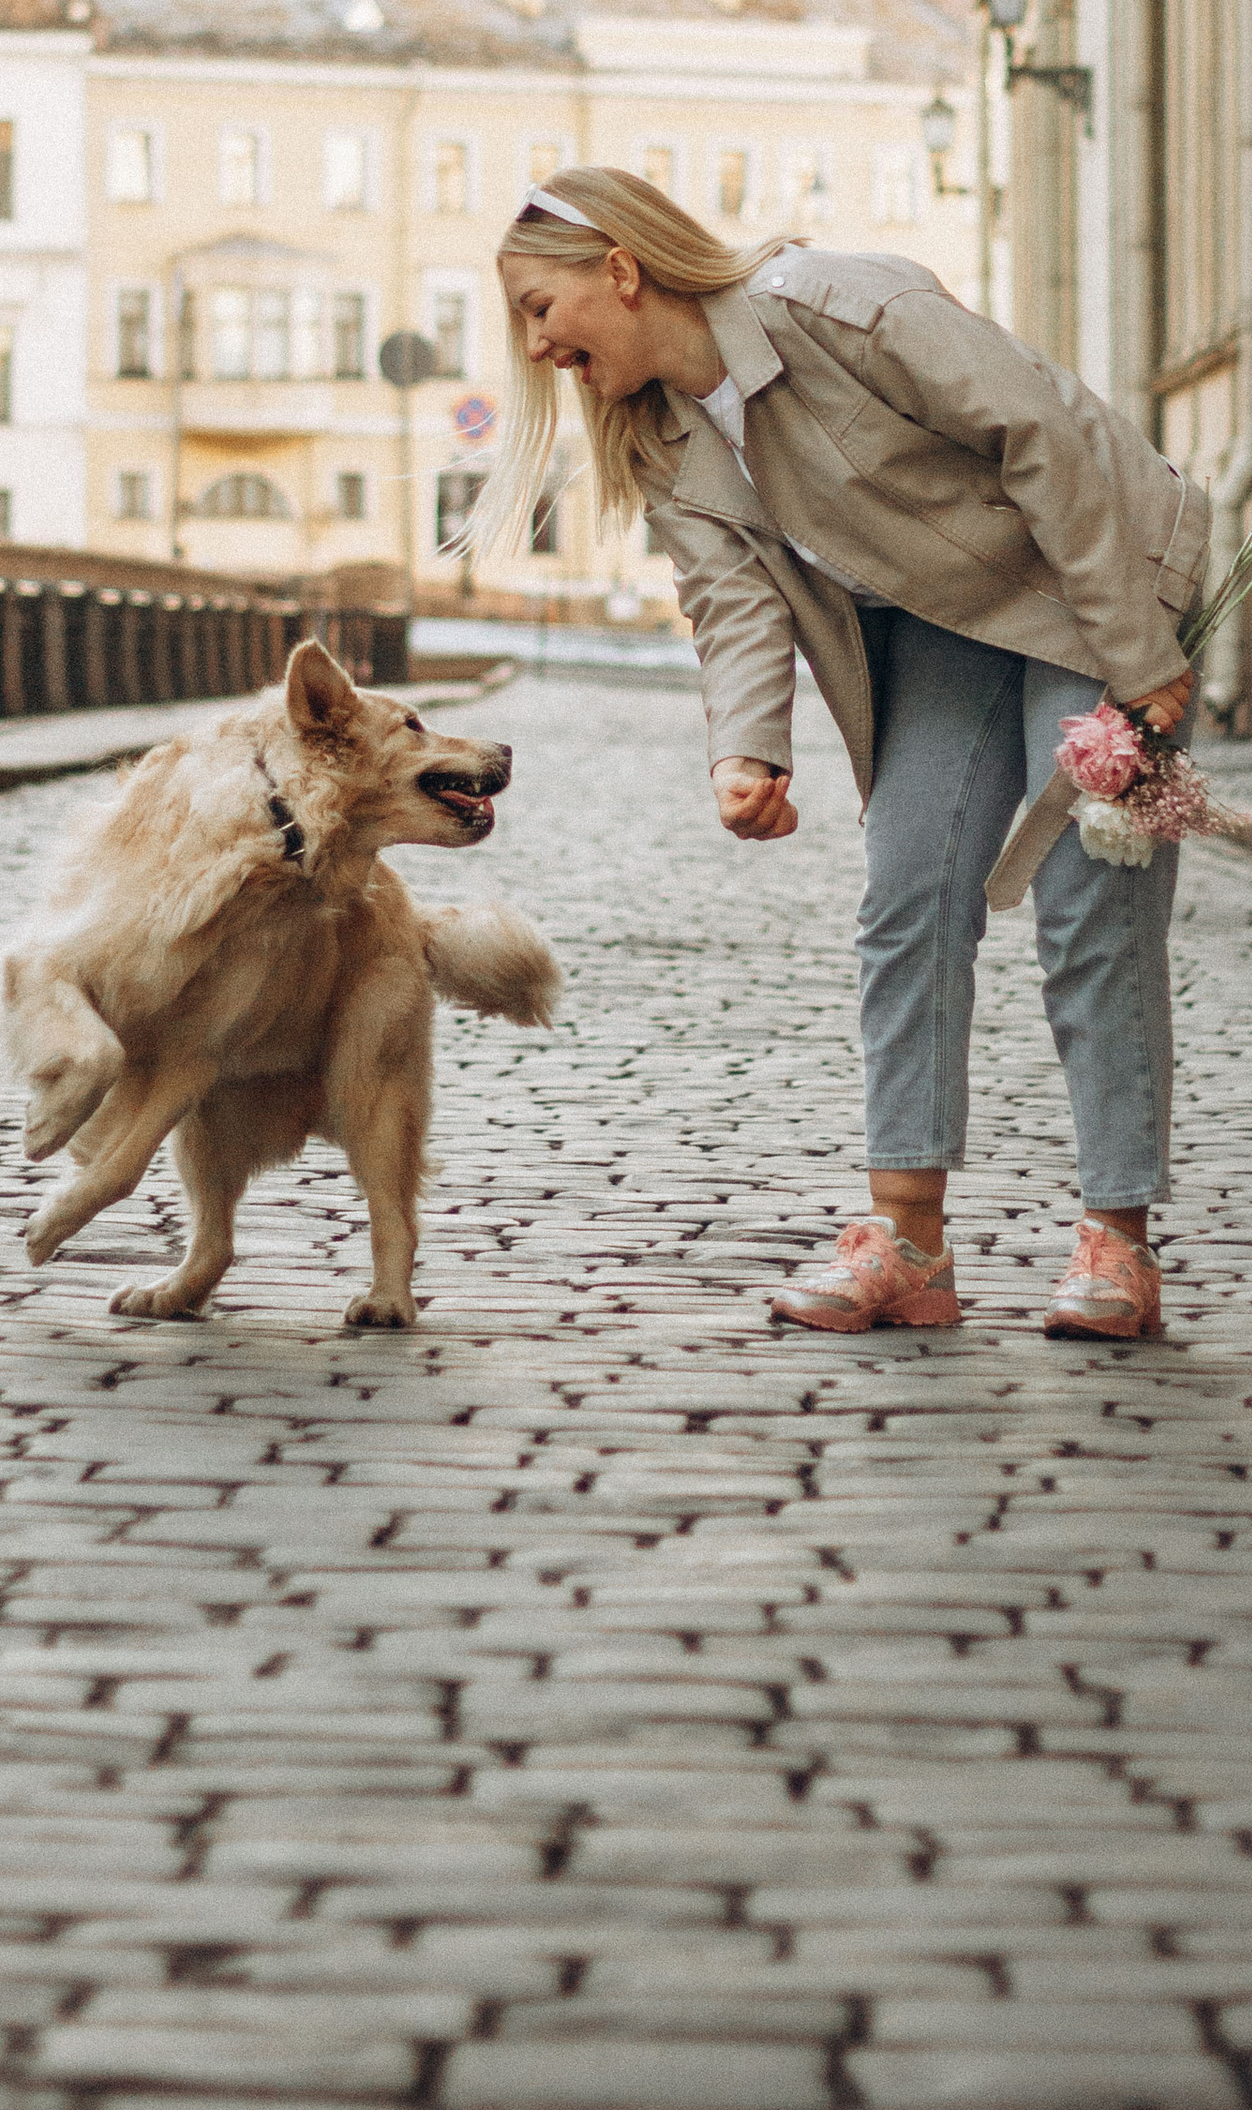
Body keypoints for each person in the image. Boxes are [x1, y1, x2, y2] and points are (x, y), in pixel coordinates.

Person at [471, 165, 1209, 1340]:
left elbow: (1040, 434)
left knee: (1089, 896)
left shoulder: (831, 303)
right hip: (943, 622)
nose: (537, 346)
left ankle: (1118, 1243)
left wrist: (1135, 643)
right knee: (907, 894)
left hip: (1095, 577)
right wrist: (745, 751)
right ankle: (908, 1246)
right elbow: (730, 601)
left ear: (620, 269)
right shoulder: (660, 436)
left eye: (538, 308)